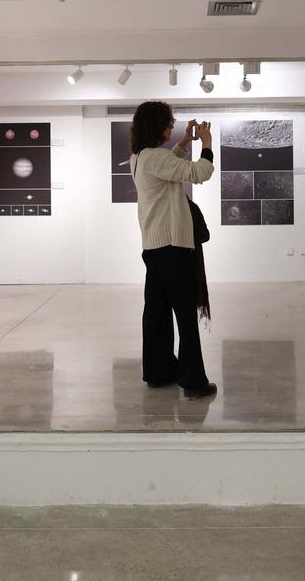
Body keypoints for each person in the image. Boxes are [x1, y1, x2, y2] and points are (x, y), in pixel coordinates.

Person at [129, 101, 217, 400]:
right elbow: (201, 172)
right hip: (173, 247)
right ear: (156, 126)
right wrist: (206, 143)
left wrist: (184, 141)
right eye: (169, 123)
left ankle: (159, 371)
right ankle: (193, 381)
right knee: (185, 315)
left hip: (153, 247)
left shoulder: (139, 157)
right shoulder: (156, 157)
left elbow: (169, 164)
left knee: (156, 312)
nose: (172, 126)